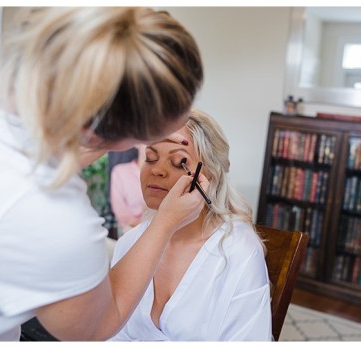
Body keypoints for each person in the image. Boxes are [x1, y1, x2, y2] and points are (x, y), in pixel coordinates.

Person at [0, 7, 206, 341]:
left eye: (178, 161)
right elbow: (96, 325)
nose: (158, 169)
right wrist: (165, 223)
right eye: (148, 149)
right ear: (95, 132)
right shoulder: (48, 215)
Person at [109, 109, 271, 341]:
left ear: (209, 178)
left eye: (178, 162)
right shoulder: (129, 244)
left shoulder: (238, 252)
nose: (156, 170)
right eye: (151, 158)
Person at [110, 145, 148, 234]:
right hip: (132, 229)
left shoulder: (163, 173)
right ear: (137, 143)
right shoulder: (120, 172)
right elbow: (121, 212)